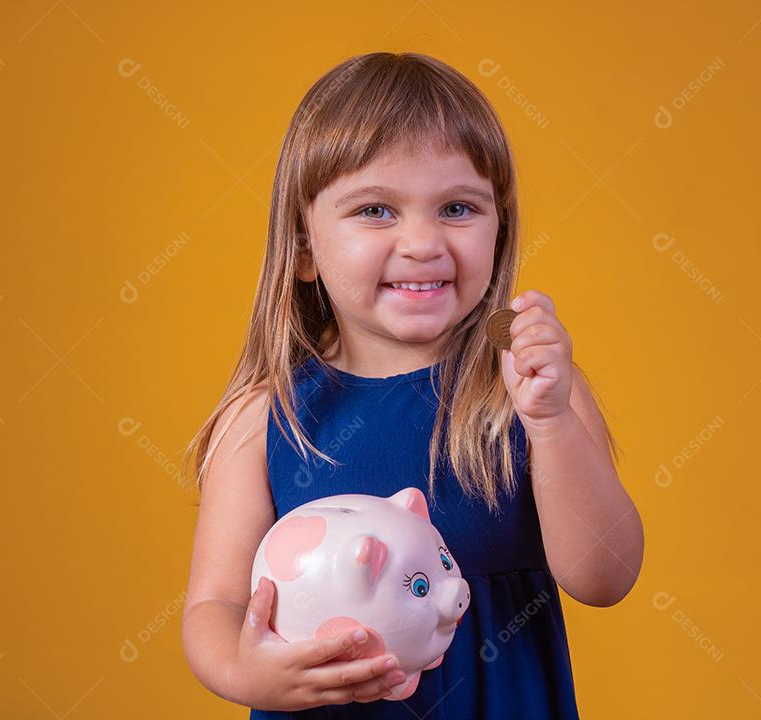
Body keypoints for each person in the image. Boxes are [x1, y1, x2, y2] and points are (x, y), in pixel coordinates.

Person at [180, 51, 644, 718]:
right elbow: (213, 606)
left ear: (499, 229)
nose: (423, 242)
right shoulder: (266, 415)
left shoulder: (530, 392)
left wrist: (551, 422)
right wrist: (247, 672)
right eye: (376, 210)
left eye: (457, 207)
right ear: (305, 247)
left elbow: (605, 577)